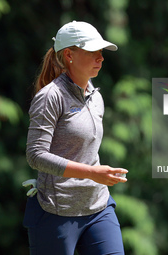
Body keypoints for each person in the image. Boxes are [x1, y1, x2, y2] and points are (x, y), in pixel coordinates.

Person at [23, 20, 128, 255]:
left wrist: (95, 176)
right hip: (55, 211)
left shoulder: (96, 95)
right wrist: (91, 173)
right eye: (93, 52)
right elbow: (35, 155)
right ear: (69, 54)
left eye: (101, 52)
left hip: (98, 206)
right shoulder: (50, 97)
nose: (100, 57)